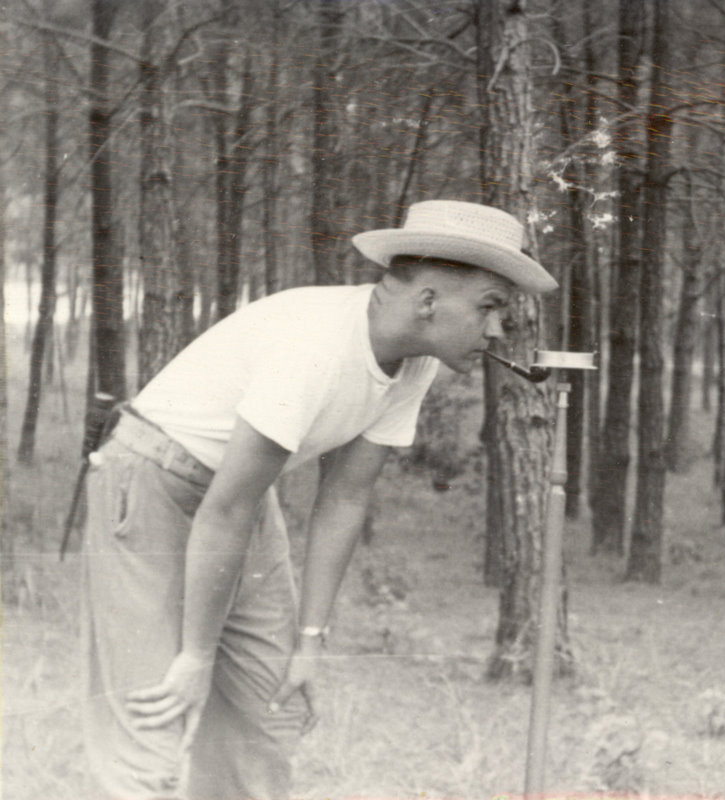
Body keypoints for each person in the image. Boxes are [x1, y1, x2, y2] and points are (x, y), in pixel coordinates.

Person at [81, 199, 558, 800]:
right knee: (151, 716)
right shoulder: (316, 347)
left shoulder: (414, 364)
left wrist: (309, 642)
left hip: (240, 500)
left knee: (268, 709)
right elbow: (223, 509)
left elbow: (345, 500)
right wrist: (197, 654)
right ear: (428, 301)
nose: (497, 332)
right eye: (490, 308)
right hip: (151, 480)